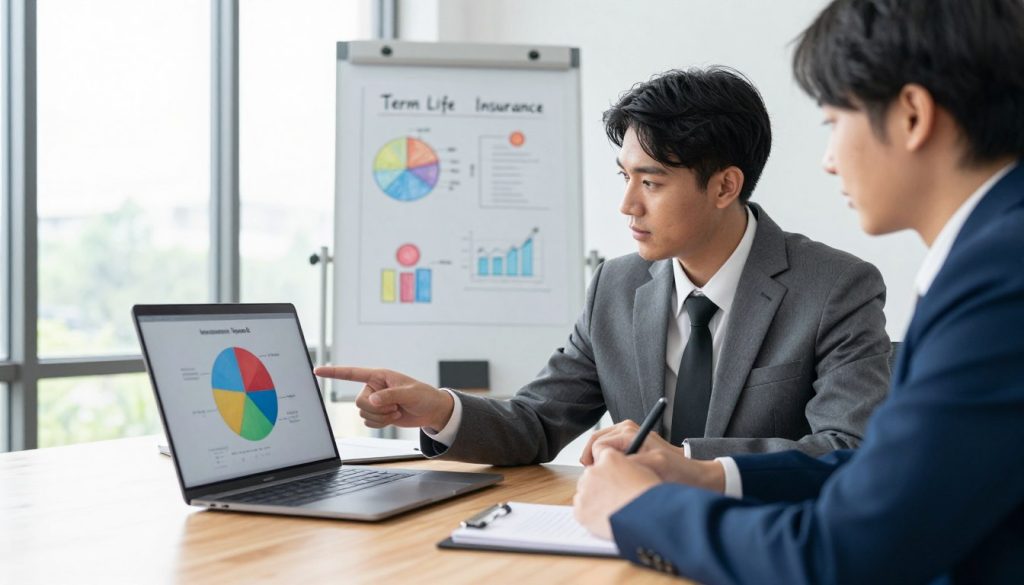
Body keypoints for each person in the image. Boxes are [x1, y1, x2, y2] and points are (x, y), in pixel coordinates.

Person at [573, 0, 1024, 582]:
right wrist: (705, 473)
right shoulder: (994, 255)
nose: (830, 161)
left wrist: (641, 510)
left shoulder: (998, 280)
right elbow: (885, 482)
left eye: (835, 122)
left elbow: (842, 553)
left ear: (912, 114)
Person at [315, 67, 891, 465]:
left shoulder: (835, 288)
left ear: (725, 185)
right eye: (625, 176)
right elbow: (539, 423)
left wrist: (686, 458)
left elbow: (850, 446)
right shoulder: (617, 285)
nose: (627, 205)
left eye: (652, 182)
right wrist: (437, 407)